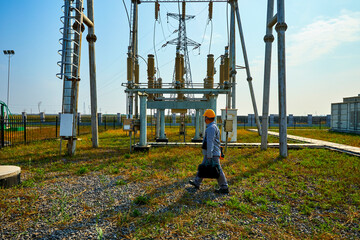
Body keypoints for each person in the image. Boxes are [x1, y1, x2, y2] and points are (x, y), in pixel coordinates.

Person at [189, 109, 229, 194]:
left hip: (212, 154)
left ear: (207, 118)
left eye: (205, 117)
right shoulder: (213, 126)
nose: (204, 119)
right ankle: (197, 182)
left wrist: (209, 156)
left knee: (217, 169)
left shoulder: (211, 128)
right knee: (203, 166)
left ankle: (224, 187)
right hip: (211, 153)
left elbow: (210, 143)